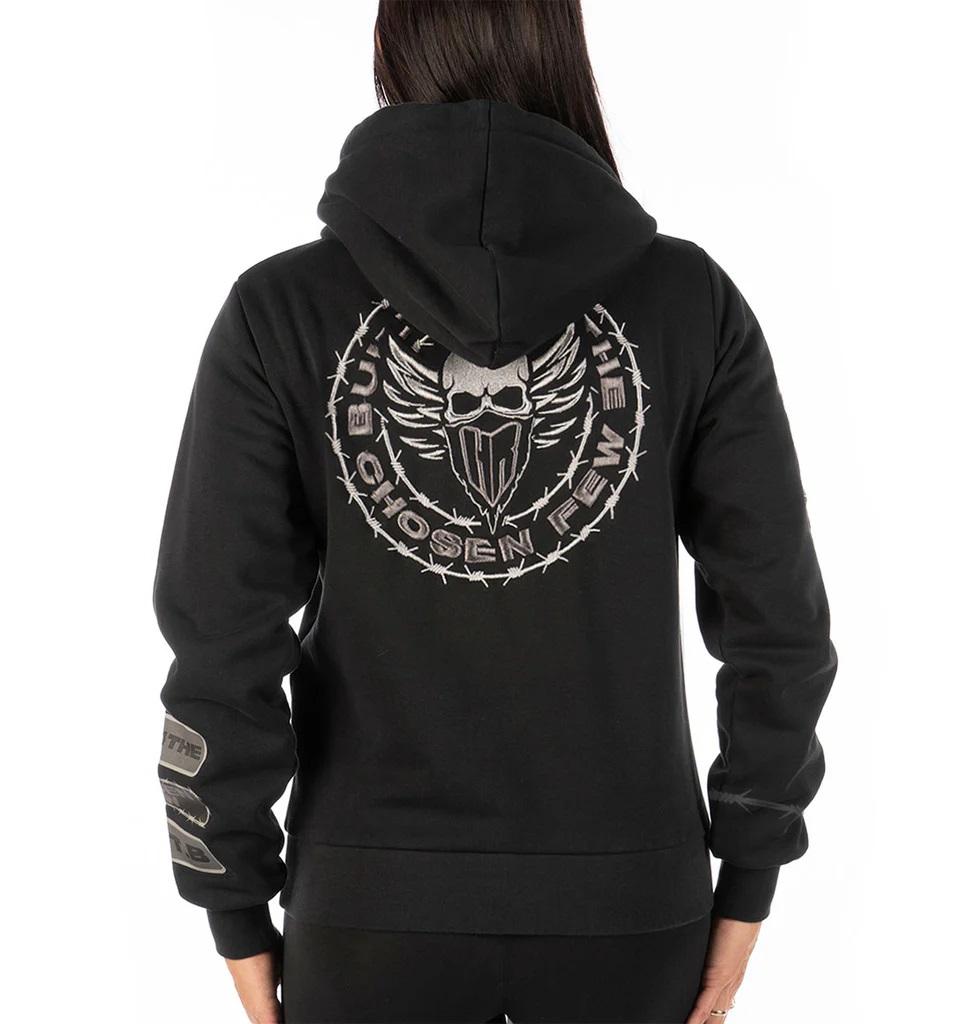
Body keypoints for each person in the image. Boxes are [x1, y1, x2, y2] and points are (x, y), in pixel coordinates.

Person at [154, 2, 837, 1021]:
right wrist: (747, 878)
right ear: (563, 49)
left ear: (391, 53)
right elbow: (778, 623)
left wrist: (234, 905)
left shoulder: (279, 310)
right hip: (630, 908)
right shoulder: (690, 302)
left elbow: (220, 636)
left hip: (368, 912)